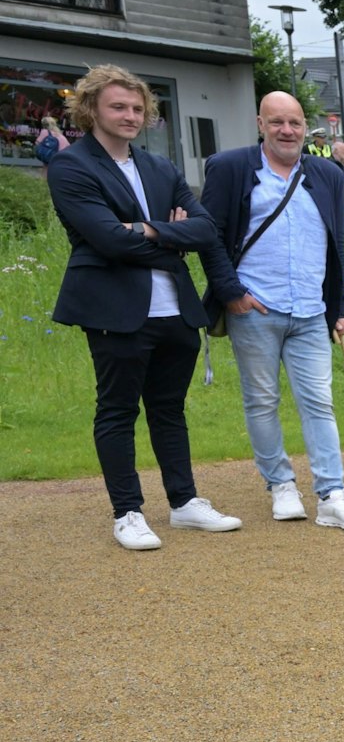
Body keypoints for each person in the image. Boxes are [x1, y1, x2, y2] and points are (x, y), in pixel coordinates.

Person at [46, 64, 244, 549]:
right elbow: (109, 241)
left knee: (169, 410)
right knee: (116, 411)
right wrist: (169, 235)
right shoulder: (72, 166)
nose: (130, 115)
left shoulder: (160, 167)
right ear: (91, 108)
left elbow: (205, 230)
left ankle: (184, 504)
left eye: (138, 108)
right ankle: (128, 512)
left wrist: (149, 229)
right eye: (119, 106)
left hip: (174, 310)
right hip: (115, 311)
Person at [197, 93, 344, 530]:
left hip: (311, 312)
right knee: (262, 401)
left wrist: (338, 306)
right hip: (255, 308)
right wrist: (231, 292)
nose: (287, 130)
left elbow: (335, 243)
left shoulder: (328, 174)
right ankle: (280, 485)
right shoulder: (230, 168)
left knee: (320, 403)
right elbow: (210, 236)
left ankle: (332, 494)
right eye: (277, 122)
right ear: (261, 123)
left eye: (295, 122)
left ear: (305, 126)